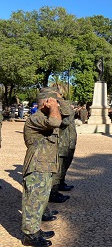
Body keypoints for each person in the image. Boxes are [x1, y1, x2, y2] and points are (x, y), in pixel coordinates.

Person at [21, 90, 61, 247]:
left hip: (45, 165)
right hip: (36, 165)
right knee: (33, 201)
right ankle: (29, 236)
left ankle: (35, 230)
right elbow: (56, 122)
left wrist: (56, 104)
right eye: (54, 101)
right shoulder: (36, 117)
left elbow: (63, 114)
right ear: (45, 103)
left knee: (41, 201)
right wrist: (52, 107)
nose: (57, 104)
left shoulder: (45, 116)